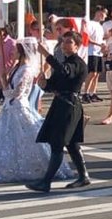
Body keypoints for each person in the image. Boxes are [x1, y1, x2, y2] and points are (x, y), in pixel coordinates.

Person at [0, 38, 74, 184]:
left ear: (22, 52)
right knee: (8, 141)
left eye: (15, 51)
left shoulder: (26, 70)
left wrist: (4, 82)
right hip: (10, 108)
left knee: (28, 139)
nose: (12, 53)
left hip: (19, 107)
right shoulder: (16, 68)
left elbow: (16, 93)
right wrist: (4, 79)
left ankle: (43, 167)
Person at [26, 32, 91, 193]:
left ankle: (46, 182)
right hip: (60, 104)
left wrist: (46, 54)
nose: (64, 44)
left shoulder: (78, 63)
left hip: (70, 105)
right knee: (71, 143)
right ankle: (83, 176)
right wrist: (44, 83)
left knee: (58, 142)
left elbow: (65, 71)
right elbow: (53, 85)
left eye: (69, 42)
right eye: (63, 41)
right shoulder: (64, 61)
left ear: (77, 46)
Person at [82, 6, 106, 103]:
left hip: (99, 52)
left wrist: (102, 45)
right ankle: (85, 93)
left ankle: (93, 93)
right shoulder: (90, 24)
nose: (105, 16)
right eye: (104, 13)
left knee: (97, 74)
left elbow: (100, 39)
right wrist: (98, 44)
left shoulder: (100, 26)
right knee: (92, 72)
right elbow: (86, 38)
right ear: (99, 13)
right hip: (91, 51)